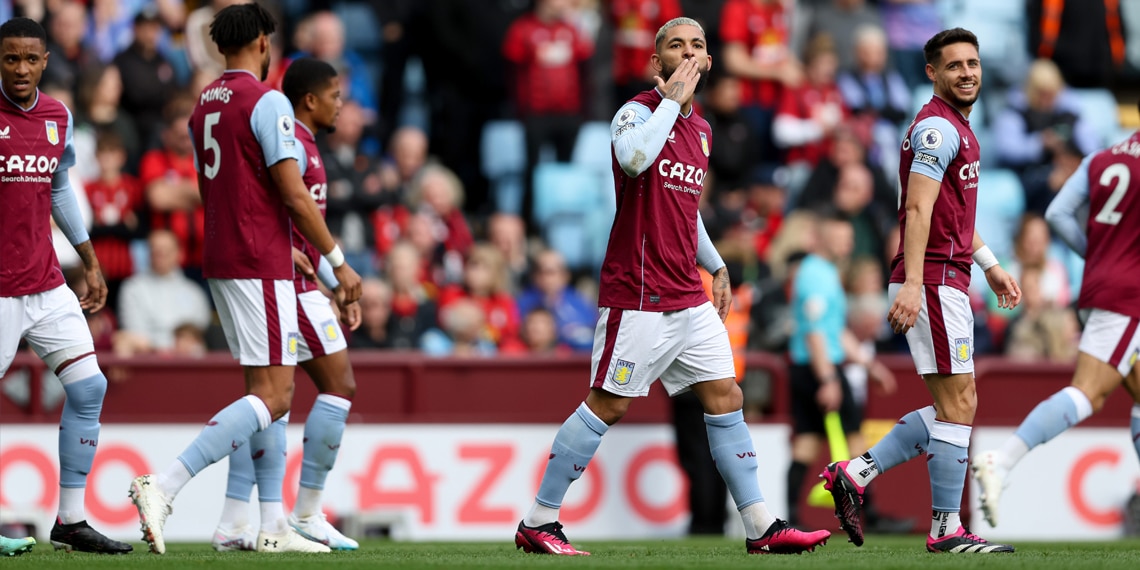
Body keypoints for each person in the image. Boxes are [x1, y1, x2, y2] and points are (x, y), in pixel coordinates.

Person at [514, 17, 831, 556]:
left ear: (708, 61)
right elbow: (634, 160)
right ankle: (539, 520)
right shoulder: (635, 113)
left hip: (687, 292)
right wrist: (670, 100)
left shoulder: (702, 131)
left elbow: (688, 212)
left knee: (725, 394)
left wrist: (718, 265)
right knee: (606, 405)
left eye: (697, 46)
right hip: (638, 294)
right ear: (656, 62)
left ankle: (761, 527)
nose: (687, 53)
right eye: (675, 46)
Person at [128, 4, 361, 555]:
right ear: (262, 42)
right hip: (260, 260)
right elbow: (292, 191)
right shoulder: (267, 100)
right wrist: (336, 260)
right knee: (276, 396)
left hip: (222, 257)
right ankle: (164, 485)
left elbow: (216, 190)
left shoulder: (202, 106)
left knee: (263, 393)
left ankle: (251, 524)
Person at [820, 27, 1022, 553]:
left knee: (956, 403)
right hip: (930, 278)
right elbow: (918, 209)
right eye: (954, 65)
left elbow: (954, 209)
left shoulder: (957, 127)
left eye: (973, 63)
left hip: (947, 275)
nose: (968, 72)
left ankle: (857, 474)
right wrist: (912, 282)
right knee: (959, 403)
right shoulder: (937, 129)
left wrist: (991, 264)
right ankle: (944, 529)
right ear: (932, 73)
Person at [211, 57, 362, 552]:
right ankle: (306, 513)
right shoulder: (289, 137)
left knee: (266, 400)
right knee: (333, 385)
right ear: (311, 99)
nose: (342, 104)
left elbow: (299, 226)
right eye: (336, 95)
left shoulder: (306, 141)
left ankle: (237, 519)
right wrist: (334, 271)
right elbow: (284, 207)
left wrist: (330, 279)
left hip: (299, 281)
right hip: (283, 285)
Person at [0, 17, 132, 554]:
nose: (22, 69)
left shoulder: (58, 117)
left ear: (47, 60)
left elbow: (57, 191)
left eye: (31, 59)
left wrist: (90, 260)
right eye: (11, 59)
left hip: (46, 282)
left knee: (89, 386)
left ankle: (71, 520)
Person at [971, 120, 1140, 527]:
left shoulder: (1101, 159)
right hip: (1129, 295)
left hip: (1099, 286)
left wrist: (1097, 257)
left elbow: (1057, 213)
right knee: (1089, 393)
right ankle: (1002, 459)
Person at [786, 211, 896, 529]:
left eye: (849, 238)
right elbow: (817, 333)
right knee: (856, 440)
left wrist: (867, 364)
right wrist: (829, 378)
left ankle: (790, 517)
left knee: (806, 442)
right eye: (841, 238)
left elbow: (834, 331)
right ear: (821, 238)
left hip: (809, 366)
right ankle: (870, 515)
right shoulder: (817, 275)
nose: (848, 244)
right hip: (819, 368)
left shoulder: (823, 272)